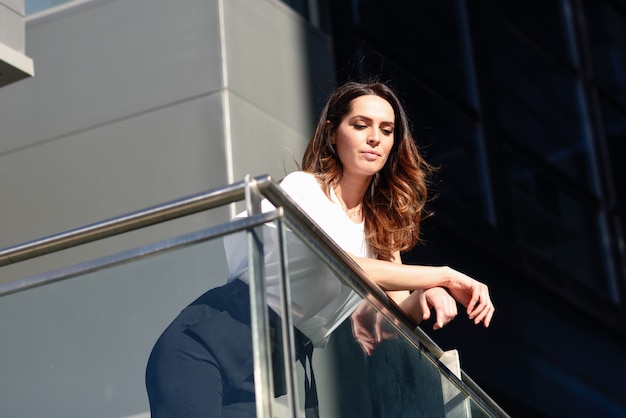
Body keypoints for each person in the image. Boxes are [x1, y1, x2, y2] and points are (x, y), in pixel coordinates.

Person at [145, 81, 495, 417]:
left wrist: (427, 294)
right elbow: (341, 264)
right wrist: (445, 276)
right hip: (210, 339)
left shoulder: (379, 231)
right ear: (331, 132)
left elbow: (399, 308)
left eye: (387, 130)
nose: (375, 137)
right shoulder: (304, 189)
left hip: (268, 370)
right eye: (361, 125)